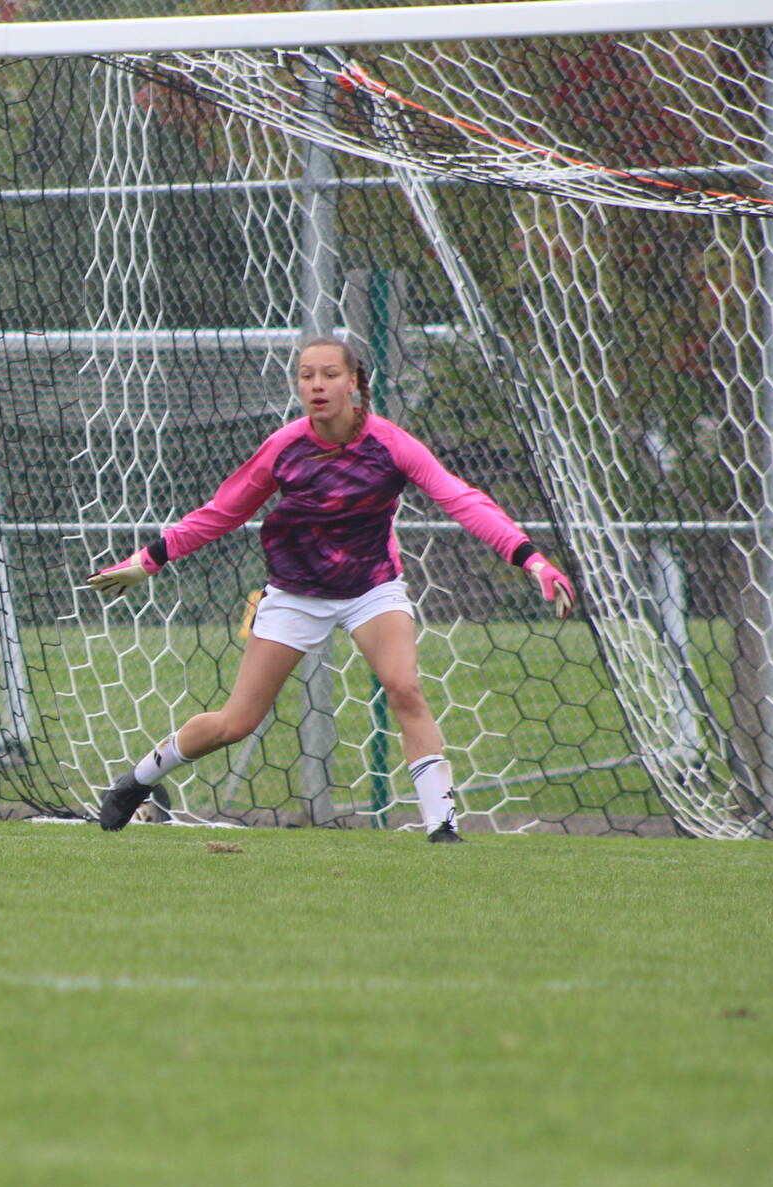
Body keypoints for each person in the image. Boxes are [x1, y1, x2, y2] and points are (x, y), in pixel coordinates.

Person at [86, 334, 577, 843]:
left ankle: (443, 829)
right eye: (306, 375)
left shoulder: (390, 444)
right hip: (295, 592)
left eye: (329, 374)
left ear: (355, 383)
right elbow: (222, 512)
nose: (317, 385)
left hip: (371, 588)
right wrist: (147, 562)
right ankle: (137, 781)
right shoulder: (284, 447)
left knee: (404, 687)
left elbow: (462, 500)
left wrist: (531, 560)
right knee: (237, 723)